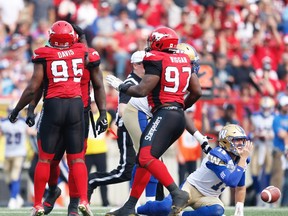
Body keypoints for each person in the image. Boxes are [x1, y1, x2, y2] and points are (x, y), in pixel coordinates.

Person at [106, 26, 202, 216]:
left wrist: (122, 87)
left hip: (164, 114)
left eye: (152, 42)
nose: (149, 46)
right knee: (145, 159)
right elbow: (197, 91)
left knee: (145, 157)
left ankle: (176, 193)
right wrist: (180, 106)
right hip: (177, 117)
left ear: (159, 42)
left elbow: (142, 90)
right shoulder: (184, 58)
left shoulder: (155, 58)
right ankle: (129, 206)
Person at [7, 20, 92, 216]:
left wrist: (17, 110)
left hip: (53, 106)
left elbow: (33, 87)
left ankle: (38, 204)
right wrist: (82, 36)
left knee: (44, 159)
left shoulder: (43, 53)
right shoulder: (80, 50)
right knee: (77, 159)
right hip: (76, 106)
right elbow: (85, 51)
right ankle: (84, 201)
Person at [25, 24, 108, 216]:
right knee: (52, 160)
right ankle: (53, 191)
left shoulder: (85, 55)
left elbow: (98, 85)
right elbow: (39, 85)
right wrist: (31, 107)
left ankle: (74, 204)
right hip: (57, 109)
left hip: (80, 111)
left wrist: (102, 112)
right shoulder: (60, 53)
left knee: (73, 161)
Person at [137, 124, 253, 216]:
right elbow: (231, 182)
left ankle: (181, 214)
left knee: (217, 210)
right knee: (165, 207)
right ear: (226, 141)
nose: (241, 144)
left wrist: (239, 210)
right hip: (191, 188)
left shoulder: (241, 160)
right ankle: (136, 209)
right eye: (236, 140)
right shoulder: (217, 155)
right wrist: (242, 161)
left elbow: (240, 187)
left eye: (242, 141)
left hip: (209, 197)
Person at [88, 50, 145, 201]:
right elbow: (122, 111)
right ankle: (93, 180)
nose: (145, 66)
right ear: (134, 65)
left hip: (140, 131)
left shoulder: (144, 82)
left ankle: (150, 201)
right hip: (128, 131)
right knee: (125, 172)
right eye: (141, 63)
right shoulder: (130, 83)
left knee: (149, 167)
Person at [250, 96, 275, 206]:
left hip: (270, 147)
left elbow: (278, 132)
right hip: (257, 146)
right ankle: (258, 194)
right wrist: (255, 135)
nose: (265, 110)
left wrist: (269, 136)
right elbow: (249, 132)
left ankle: (268, 196)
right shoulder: (255, 116)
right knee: (254, 171)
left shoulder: (275, 117)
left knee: (269, 171)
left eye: (267, 108)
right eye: (264, 108)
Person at [0, 104, 26, 209]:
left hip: (19, 153)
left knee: (15, 176)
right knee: (7, 178)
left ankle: (13, 198)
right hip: (8, 153)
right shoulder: (5, 123)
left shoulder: (22, 123)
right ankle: (17, 196)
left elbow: (31, 132)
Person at [271, 95, 288, 206]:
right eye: (286, 105)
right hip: (280, 151)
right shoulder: (277, 119)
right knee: (277, 176)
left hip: (286, 150)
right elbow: (282, 134)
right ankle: (273, 202)